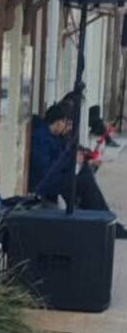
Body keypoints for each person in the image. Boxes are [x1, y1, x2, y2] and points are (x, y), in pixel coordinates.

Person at [29, 100, 126, 237]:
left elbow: (65, 153)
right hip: (45, 182)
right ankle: (103, 220)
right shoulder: (41, 138)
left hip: (57, 176)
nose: (69, 128)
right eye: (67, 124)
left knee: (85, 173)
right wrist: (72, 160)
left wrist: (84, 156)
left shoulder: (56, 136)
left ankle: (102, 217)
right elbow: (47, 169)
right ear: (59, 122)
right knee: (84, 182)